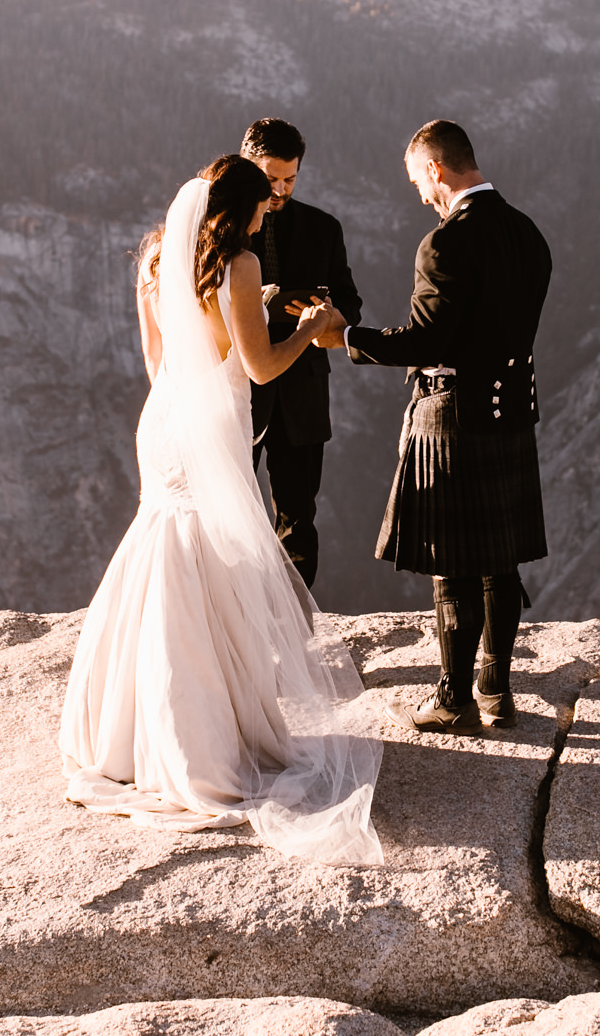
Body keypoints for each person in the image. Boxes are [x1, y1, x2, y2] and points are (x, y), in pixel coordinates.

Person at [57, 155, 385, 863]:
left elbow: (156, 352)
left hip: (166, 415)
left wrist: (200, 375)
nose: (273, 210)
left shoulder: (157, 256)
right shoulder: (235, 263)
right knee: (206, 558)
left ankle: (126, 730)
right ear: (241, 209)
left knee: (164, 547)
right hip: (213, 421)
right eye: (266, 202)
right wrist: (311, 326)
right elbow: (262, 365)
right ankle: (205, 740)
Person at [323, 120, 552, 733]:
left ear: (435, 170)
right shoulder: (528, 234)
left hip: (452, 414)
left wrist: (344, 337)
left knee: (454, 563)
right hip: (509, 412)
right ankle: (497, 691)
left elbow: (428, 339)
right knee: (501, 560)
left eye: (416, 182)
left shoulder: (445, 244)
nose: (420, 197)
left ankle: (453, 700)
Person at [240, 118, 362, 590]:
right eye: (270, 178)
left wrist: (328, 315)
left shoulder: (323, 228)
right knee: (229, 519)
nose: (280, 189)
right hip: (239, 393)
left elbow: (351, 302)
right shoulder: (221, 232)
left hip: (303, 395)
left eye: (290, 178)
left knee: (298, 524)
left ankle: (297, 637)